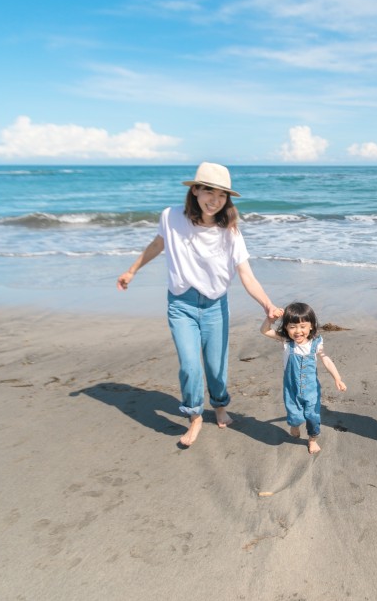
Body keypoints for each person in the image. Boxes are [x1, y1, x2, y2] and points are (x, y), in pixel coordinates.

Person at [117, 162, 281, 448]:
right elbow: (157, 244)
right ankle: (194, 416)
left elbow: (246, 274)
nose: (214, 200)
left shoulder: (230, 232)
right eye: (208, 192)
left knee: (216, 367)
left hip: (216, 306)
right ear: (195, 190)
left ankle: (219, 406)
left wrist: (268, 304)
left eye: (221, 195)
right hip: (181, 304)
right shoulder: (171, 217)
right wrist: (131, 271)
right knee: (190, 365)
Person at [260, 302, 347, 454]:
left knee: (313, 417)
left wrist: (337, 378)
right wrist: (270, 319)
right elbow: (265, 331)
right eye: (292, 327)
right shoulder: (286, 341)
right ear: (286, 327)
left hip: (312, 390)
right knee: (295, 417)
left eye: (303, 326)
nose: (298, 331)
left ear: (311, 326)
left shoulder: (316, 343)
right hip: (291, 389)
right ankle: (294, 425)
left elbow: (326, 359)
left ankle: (312, 440)